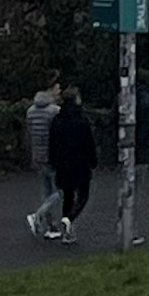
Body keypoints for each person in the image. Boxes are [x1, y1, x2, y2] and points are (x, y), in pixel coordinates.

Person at [46, 86, 98, 243]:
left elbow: (52, 142)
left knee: (68, 195)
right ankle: (69, 219)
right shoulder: (82, 120)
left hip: (63, 162)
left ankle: (68, 231)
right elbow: (89, 143)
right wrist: (93, 160)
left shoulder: (57, 119)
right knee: (83, 195)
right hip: (80, 163)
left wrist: (53, 160)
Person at [22, 79, 63, 241]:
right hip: (52, 156)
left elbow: (28, 134)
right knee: (60, 190)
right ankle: (39, 215)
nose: (59, 91)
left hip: (38, 155)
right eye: (57, 88)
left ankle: (50, 226)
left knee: (47, 191)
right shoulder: (55, 111)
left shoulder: (31, 111)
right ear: (51, 89)